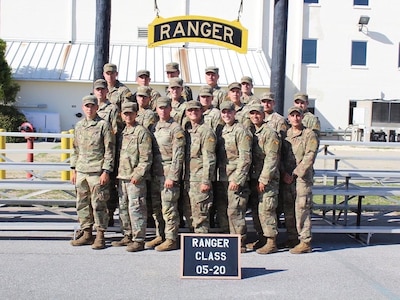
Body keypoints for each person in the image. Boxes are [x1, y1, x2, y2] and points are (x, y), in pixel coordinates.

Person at [70, 95, 115, 250]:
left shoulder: (103, 125)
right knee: (82, 204)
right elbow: (75, 149)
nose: (89, 109)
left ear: (97, 107)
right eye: (86, 106)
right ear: (83, 108)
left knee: (99, 204)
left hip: (97, 171)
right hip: (81, 170)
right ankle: (87, 233)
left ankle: (100, 235)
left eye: (92, 106)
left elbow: (110, 150)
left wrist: (106, 171)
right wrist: (73, 169)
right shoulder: (79, 126)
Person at [111, 102, 152, 252]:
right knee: (123, 208)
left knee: (136, 208)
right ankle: (127, 235)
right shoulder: (122, 133)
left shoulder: (141, 132)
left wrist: (138, 174)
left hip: (135, 178)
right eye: (125, 114)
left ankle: (139, 239)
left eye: (131, 113)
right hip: (122, 177)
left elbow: (146, 157)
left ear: (136, 114)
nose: (128, 116)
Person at [146, 97, 185, 251]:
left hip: (168, 173)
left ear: (170, 109)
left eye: (165, 108)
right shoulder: (154, 127)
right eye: (160, 108)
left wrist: (172, 176)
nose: (162, 111)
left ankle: (171, 238)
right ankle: (160, 234)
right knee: (156, 207)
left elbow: (178, 155)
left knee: (168, 207)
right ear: (156, 110)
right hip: (155, 173)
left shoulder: (176, 128)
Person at [215, 101, 252, 253]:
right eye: (223, 112)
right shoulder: (221, 130)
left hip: (235, 177)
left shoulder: (240, 131)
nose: (226, 115)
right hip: (222, 177)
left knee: (235, 211)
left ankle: (239, 242)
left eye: (229, 112)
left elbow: (246, 158)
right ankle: (226, 239)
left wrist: (237, 179)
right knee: (223, 210)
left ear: (234, 113)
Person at [280, 106, 318, 254]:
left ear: (302, 117)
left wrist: (295, 173)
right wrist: (284, 172)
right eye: (292, 116)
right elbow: (280, 156)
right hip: (287, 177)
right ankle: (292, 238)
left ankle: (305, 241)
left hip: (302, 178)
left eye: (298, 115)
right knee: (289, 209)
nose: (295, 118)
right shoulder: (286, 134)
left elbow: (310, 156)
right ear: (288, 118)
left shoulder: (309, 135)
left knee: (302, 209)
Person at [246, 104, 281, 254]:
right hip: (254, 177)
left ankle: (271, 241)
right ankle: (262, 238)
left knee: (267, 209)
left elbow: (272, 158)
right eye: (252, 114)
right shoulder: (252, 132)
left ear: (263, 115)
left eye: (258, 113)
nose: (255, 116)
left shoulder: (269, 133)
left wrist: (264, 179)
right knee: (256, 210)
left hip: (267, 179)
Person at [182, 100, 216, 233]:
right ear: (186, 113)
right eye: (190, 110)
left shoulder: (206, 131)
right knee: (189, 213)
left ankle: (200, 242)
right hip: (188, 179)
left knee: (201, 215)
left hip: (200, 179)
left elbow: (210, 158)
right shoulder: (187, 130)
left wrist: (206, 181)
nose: (193, 113)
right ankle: (191, 245)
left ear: (201, 111)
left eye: (196, 110)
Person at [92, 79, 121, 226]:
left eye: (102, 89)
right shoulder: (90, 106)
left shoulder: (112, 108)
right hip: (93, 155)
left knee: (108, 187)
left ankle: (108, 217)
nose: (100, 92)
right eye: (97, 89)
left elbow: (115, 131)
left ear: (107, 91)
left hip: (108, 152)